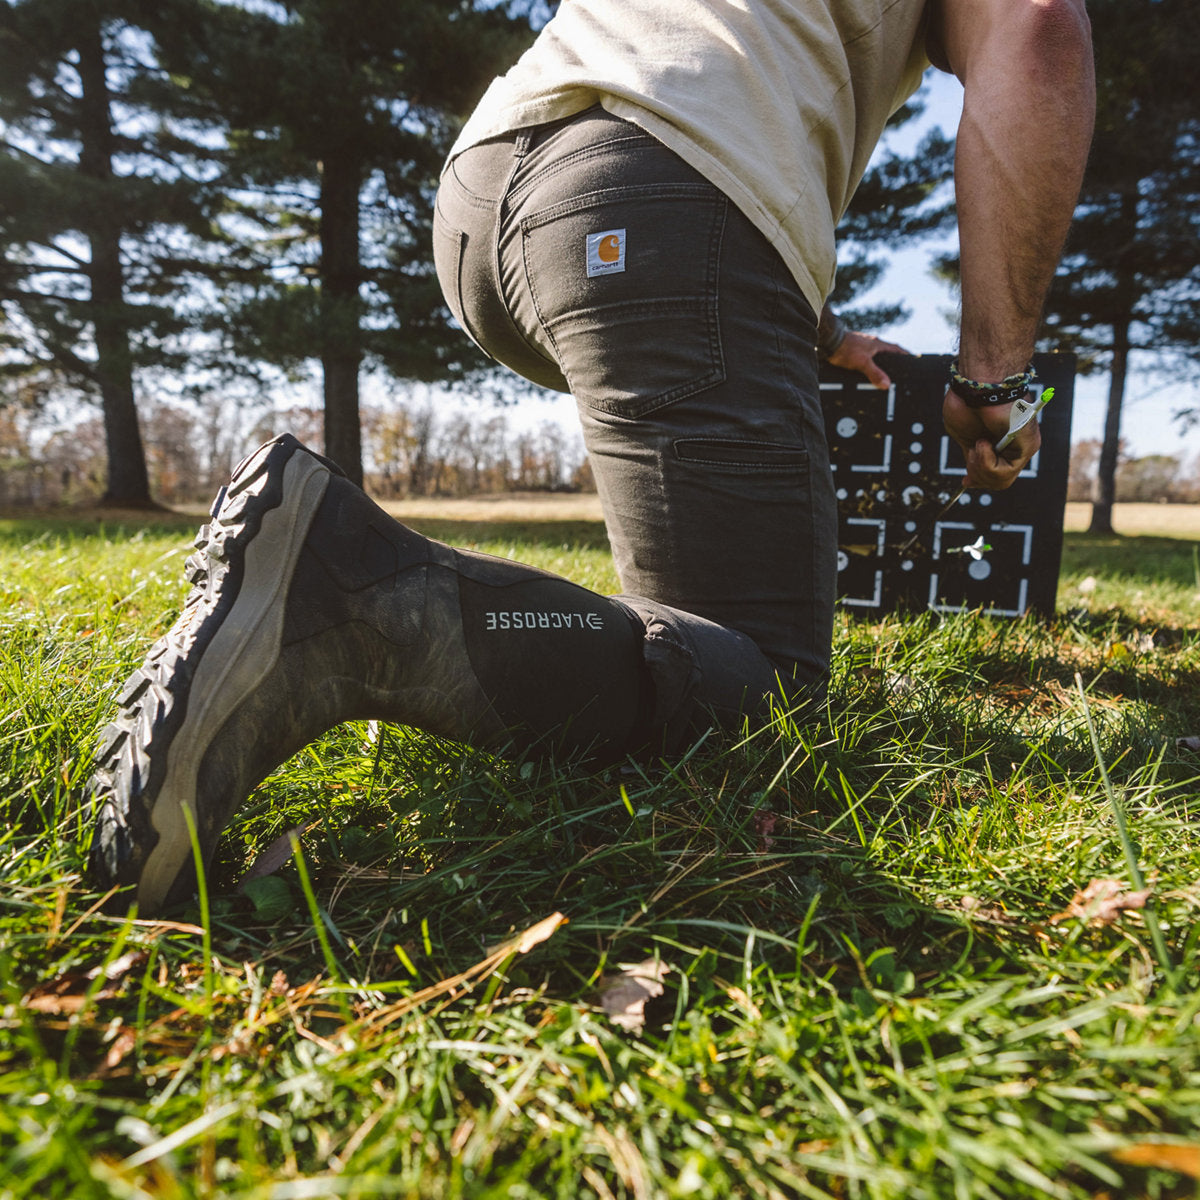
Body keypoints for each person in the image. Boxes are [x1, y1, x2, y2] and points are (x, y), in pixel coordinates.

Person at [88, 0, 1095, 913]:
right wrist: (996, 376)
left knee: (692, 641)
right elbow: (1037, 29)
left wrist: (824, 334)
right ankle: (356, 602)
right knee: (767, 690)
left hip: (494, 196)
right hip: (667, 190)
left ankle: (359, 596)